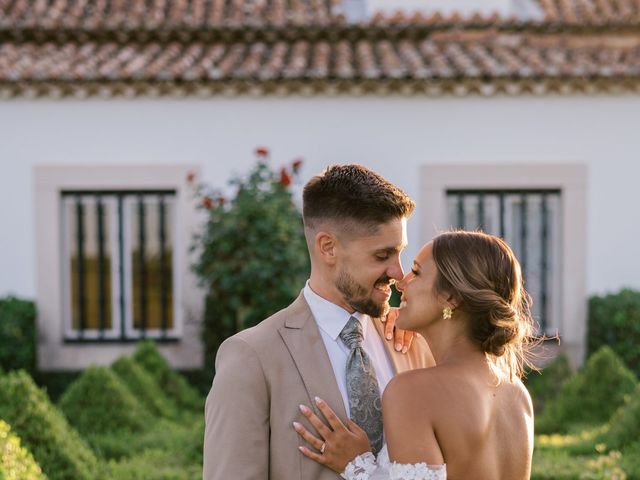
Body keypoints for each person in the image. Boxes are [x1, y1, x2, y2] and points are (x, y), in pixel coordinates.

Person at [203, 164, 435, 480]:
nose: (398, 273)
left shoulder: (410, 341)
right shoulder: (252, 357)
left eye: (400, 254)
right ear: (328, 247)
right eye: (382, 256)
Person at [294, 231, 536, 480]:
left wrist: (356, 466)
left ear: (450, 297)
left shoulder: (413, 391)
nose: (401, 281)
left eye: (417, 272)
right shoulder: (516, 393)